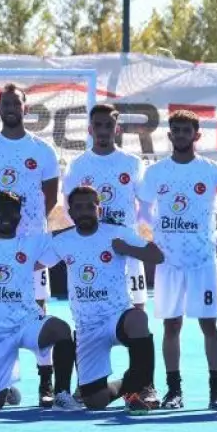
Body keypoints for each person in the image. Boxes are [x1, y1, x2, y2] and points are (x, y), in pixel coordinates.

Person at [139, 110, 217, 411]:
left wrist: (215, 239)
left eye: (186, 130)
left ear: (196, 135)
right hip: (168, 263)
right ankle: (174, 391)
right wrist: (158, 235)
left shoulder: (213, 171)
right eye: (176, 130)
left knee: (209, 324)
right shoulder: (156, 172)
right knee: (171, 325)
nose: (181, 135)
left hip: (203, 263)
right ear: (169, 135)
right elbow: (143, 210)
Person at [0, 83, 60, 407]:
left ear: (26, 108)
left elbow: (50, 196)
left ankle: (46, 382)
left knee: (38, 308)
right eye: (5, 104)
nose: (10, 108)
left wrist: (30, 228)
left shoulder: (42, 150)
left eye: (16, 103)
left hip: (31, 244)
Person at [42, 186, 163, 414]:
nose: (85, 211)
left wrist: (127, 249)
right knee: (95, 401)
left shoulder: (118, 233)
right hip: (87, 327)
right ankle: (126, 385)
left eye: (90, 206)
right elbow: (34, 263)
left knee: (138, 318)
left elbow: (157, 256)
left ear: (99, 210)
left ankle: (139, 388)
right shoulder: (62, 241)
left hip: (117, 316)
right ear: (70, 212)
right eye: (78, 207)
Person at [0, 191, 75, 409]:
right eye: (0, 210)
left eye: (11, 210)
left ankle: (61, 392)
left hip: (27, 322)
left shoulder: (31, 243)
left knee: (61, 329)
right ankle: (1, 389)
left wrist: (97, 222)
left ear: (20, 215)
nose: (6, 215)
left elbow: (64, 234)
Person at [63, 104, 149, 308]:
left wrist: (132, 234)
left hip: (127, 248)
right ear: (89, 129)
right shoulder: (77, 165)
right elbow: (68, 207)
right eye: (98, 125)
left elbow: (146, 205)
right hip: (91, 248)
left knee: (136, 308)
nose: (103, 130)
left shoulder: (133, 163)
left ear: (117, 129)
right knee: (92, 307)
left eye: (108, 125)